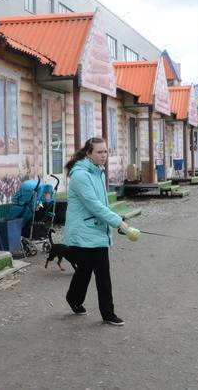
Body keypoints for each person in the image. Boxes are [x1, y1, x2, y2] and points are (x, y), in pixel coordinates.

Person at [63, 137, 129, 326]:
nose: (104, 155)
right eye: (99, 152)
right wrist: (118, 222)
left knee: (102, 274)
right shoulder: (80, 175)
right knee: (85, 271)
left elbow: (102, 204)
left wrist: (113, 221)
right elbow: (93, 205)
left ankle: (108, 314)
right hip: (82, 231)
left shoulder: (97, 171)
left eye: (106, 151)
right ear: (89, 153)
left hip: (97, 229)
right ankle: (73, 298)